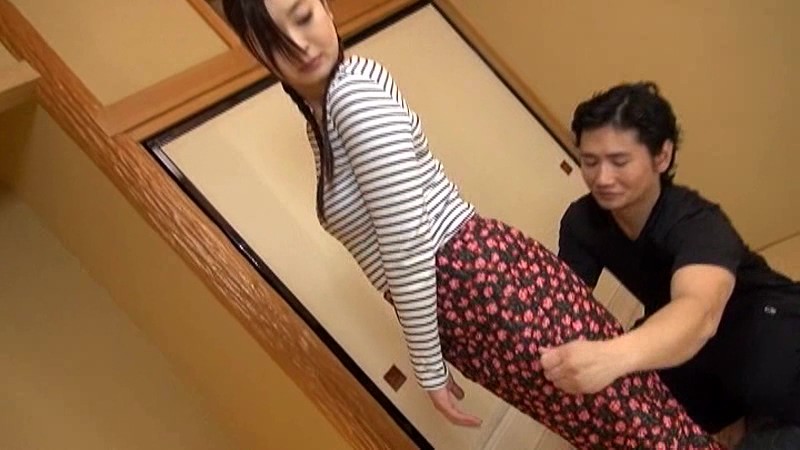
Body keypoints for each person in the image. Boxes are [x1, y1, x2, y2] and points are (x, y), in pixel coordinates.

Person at [222, 1, 723, 447]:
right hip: (474, 291)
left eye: (304, 16)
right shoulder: (325, 109)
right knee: (632, 425)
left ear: (327, 7)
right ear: (256, 51)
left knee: (636, 431)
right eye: (274, 37)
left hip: (476, 287)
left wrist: (427, 366)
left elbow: (407, 242)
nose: (300, 43)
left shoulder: (351, 95)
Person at [554, 81, 800, 444]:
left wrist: (611, 356)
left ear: (662, 157)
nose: (602, 178)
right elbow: (563, 302)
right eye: (590, 161)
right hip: (691, 356)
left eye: (619, 161)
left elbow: (699, 311)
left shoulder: (696, 221)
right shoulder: (582, 222)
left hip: (764, 327)